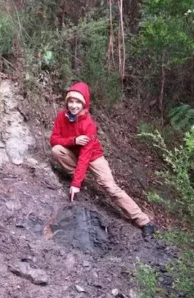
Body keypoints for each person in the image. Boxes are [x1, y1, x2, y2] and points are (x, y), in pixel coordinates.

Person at [49, 82, 156, 238]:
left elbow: (85, 156)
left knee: (110, 187)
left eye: (78, 102)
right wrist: (74, 141)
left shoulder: (89, 124)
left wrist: (75, 184)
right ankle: (78, 177)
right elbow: (53, 139)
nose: (74, 105)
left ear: (84, 103)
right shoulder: (61, 116)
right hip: (73, 152)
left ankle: (144, 222)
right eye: (71, 101)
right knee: (57, 150)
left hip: (93, 156)